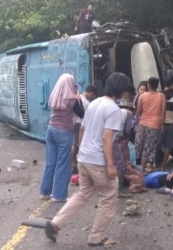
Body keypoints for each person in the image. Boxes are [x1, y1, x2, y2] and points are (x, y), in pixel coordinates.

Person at [43, 72, 133, 247]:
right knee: (108, 196)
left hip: (84, 158)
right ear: (121, 90)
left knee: (82, 194)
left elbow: (82, 130)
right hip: (98, 160)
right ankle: (96, 237)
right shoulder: (114, 109)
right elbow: (108, 138)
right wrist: (111, 165)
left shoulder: (94, 104)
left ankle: (55, 224)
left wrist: (81, 153)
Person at [39, 73, 84, 202]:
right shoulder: (72, 99)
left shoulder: (55, 96)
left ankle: (44, 192)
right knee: (63, 164)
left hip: (51, 130)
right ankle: (59, 195)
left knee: (50, 162)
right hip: (64, 132)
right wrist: (78, 98)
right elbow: (82, 113)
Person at [134, 77, 166, 175]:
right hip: (155, 125)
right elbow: (163, 111)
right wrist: (162, 124)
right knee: (149, 146)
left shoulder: (142, 96)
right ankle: (144, 168)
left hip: (142, 123)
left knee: (139, 145)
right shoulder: (161, 96)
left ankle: (140, 168)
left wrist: (136, 123)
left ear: (148, 85)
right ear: (157, 86)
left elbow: (138, 111)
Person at [71, 85, 97, 174]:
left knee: (75, 144)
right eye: (93, 96)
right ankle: (72, 165)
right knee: (76, 145)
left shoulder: (79, 97)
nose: (92, 98)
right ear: (91, 93)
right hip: (80, 124)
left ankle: (73, 165)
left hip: (74, 123)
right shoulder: (87, 103)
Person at [158, 77, 173, 171]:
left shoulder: (159, 95)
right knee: (169, 145)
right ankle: (163, 167)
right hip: (171, 124)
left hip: (159, 124)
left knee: (156, 144)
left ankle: (151, 165)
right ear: (172, 86)